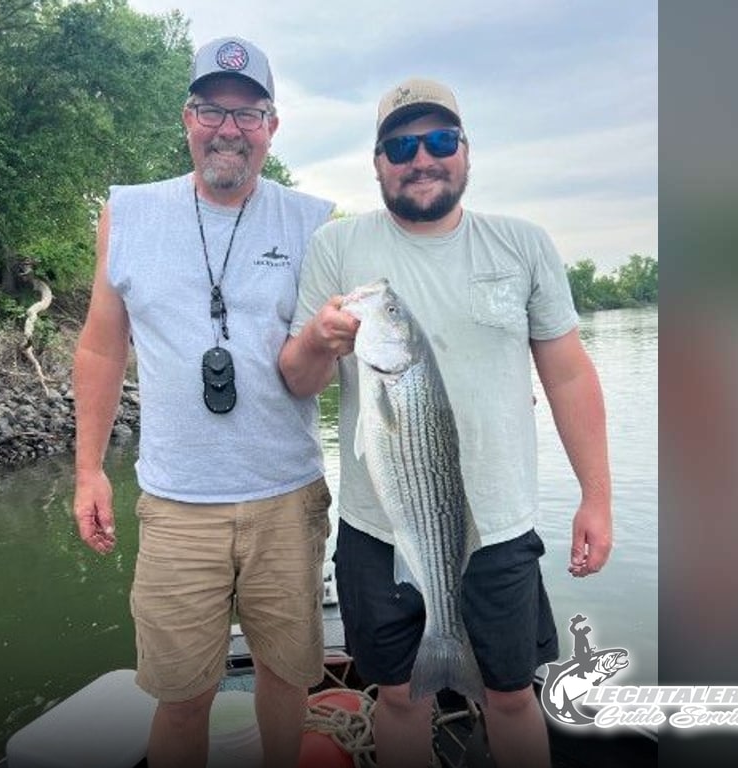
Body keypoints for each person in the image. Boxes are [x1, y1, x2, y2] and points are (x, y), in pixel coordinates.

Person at [279, 77, 612, 768]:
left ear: (466, 152)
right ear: (376, 162)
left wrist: (597, 497)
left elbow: (569, 373)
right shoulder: (336, 248)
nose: (420, 158)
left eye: (438, 141)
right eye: (400, 144)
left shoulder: (521, 245)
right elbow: (296, 379)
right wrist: (318, 339)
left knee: (514, 696)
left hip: (502, 524)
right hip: (381, 525)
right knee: (400, 698)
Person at [72, 36, 334, 768]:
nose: (229, 129)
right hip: (177, 502)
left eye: (249, 116)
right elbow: (99, 347)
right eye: (211, 110)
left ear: (272, 129)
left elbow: (344, 352)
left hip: (289, 498)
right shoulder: (126, 213)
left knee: (288, 679)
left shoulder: (313, 222)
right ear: (186, 118)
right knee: (181, 695)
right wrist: (89, 469)